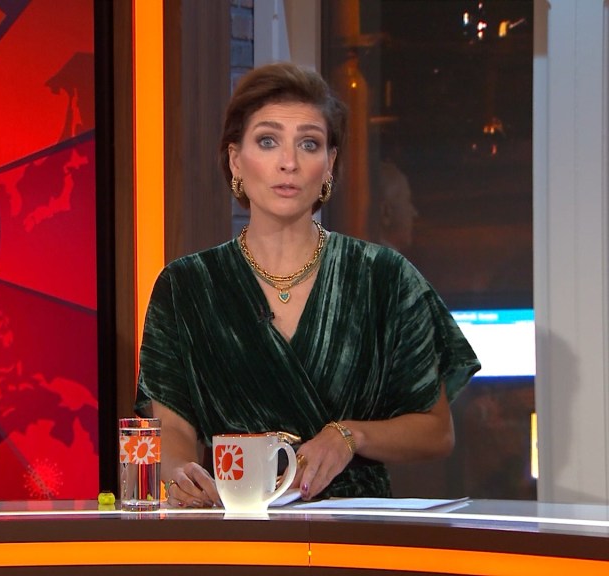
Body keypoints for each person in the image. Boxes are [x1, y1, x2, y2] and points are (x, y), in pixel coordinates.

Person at [134, 62, 480, 506]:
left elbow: (436, 431)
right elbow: (172, 428)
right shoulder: (186, 287)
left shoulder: (384, 278)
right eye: (268, 141)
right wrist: (183, 473)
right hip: (238, 524)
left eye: (309, 144)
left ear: (329, 164)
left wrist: (350, 435)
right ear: (236, 159)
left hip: (356, 530)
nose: (289, 163)